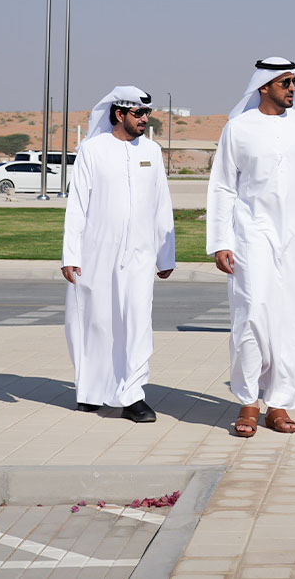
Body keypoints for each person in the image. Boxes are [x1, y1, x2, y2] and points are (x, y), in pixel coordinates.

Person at [207, 57, 295, 437]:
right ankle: (249, 401)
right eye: (285, 82)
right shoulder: (238, 129)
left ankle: (279, 403)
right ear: (264, 86)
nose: (292, 89)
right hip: (251, 235)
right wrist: (220, 241)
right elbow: (222, 186)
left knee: (291, 319)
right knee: (250, 314)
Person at [61, 86, 175, 423]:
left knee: (137, 322)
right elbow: (77, 205)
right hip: (96, 252)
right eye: (138, 114)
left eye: (147, 114)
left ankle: (132, 395)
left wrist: (165, 256)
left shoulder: (152, 152)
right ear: (119, 114)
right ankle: (91, 391)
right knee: (95, 323)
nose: (144, 119)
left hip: (140, 255)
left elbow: (161, 205)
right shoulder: (92, 150)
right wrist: (71, 255)